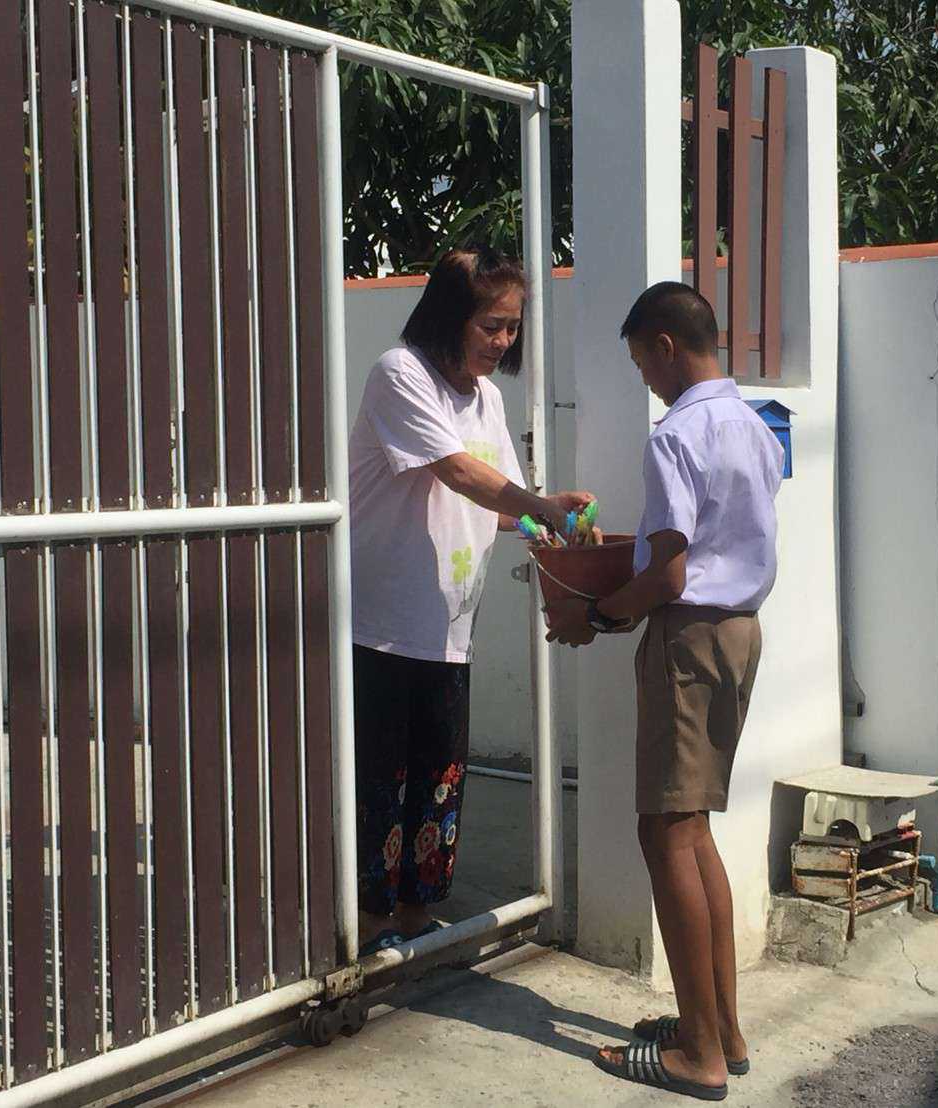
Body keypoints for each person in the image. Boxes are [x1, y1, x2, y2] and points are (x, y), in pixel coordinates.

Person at [546, 282, 783, 1101]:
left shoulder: (678, 434)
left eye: (642, 362)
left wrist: (595, 614)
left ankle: (700, 1056)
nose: (644, 378)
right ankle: (720, 1030)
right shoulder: (755, 426)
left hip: (689, 638)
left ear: (665, 347)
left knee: (665, 835)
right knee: (693, 832)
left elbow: (671, 573)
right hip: (740, 632)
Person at [348, 247, 594, 957]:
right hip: (380, 624)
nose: (504, 341)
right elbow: (458, 472)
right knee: (380, 779)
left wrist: (552, 520)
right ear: (450, 316)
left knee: (439, 775)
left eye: (513, 327)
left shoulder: (487, 398)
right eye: (492, 325)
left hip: (449, 627)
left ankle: (415, 918)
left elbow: (500, 502)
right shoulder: (400, 374)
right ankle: (366, 925)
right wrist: (541, 506)